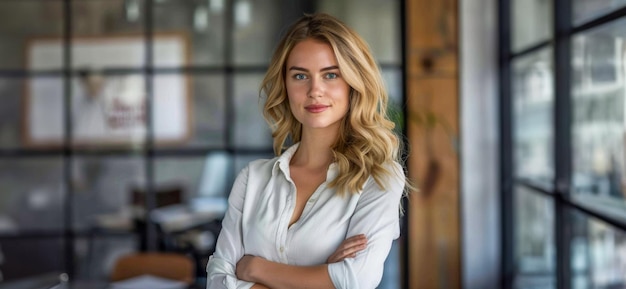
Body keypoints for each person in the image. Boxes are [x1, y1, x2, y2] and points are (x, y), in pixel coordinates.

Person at [206, 13, 409, 289]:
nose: (315, 90)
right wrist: (322, 275)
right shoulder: (252, 179)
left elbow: (355, 279)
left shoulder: (379, 178)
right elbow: (217, 279)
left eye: (331, 75)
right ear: (285, 86)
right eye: (300, 75)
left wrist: (254, 268)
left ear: (353, 83)